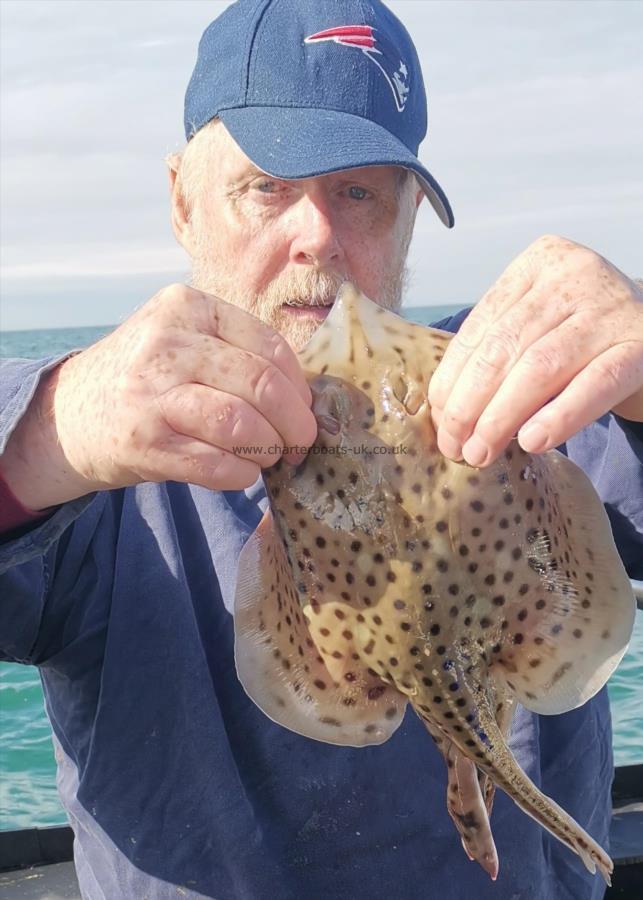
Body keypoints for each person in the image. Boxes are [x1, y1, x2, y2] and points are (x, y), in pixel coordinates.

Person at [0, 1, 641, 898]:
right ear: (182, 202)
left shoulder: (518, 389)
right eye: (266, 187)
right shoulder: (101, 457)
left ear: (410, 212)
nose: (315, 237)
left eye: (359, 192)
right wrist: (42, 435)